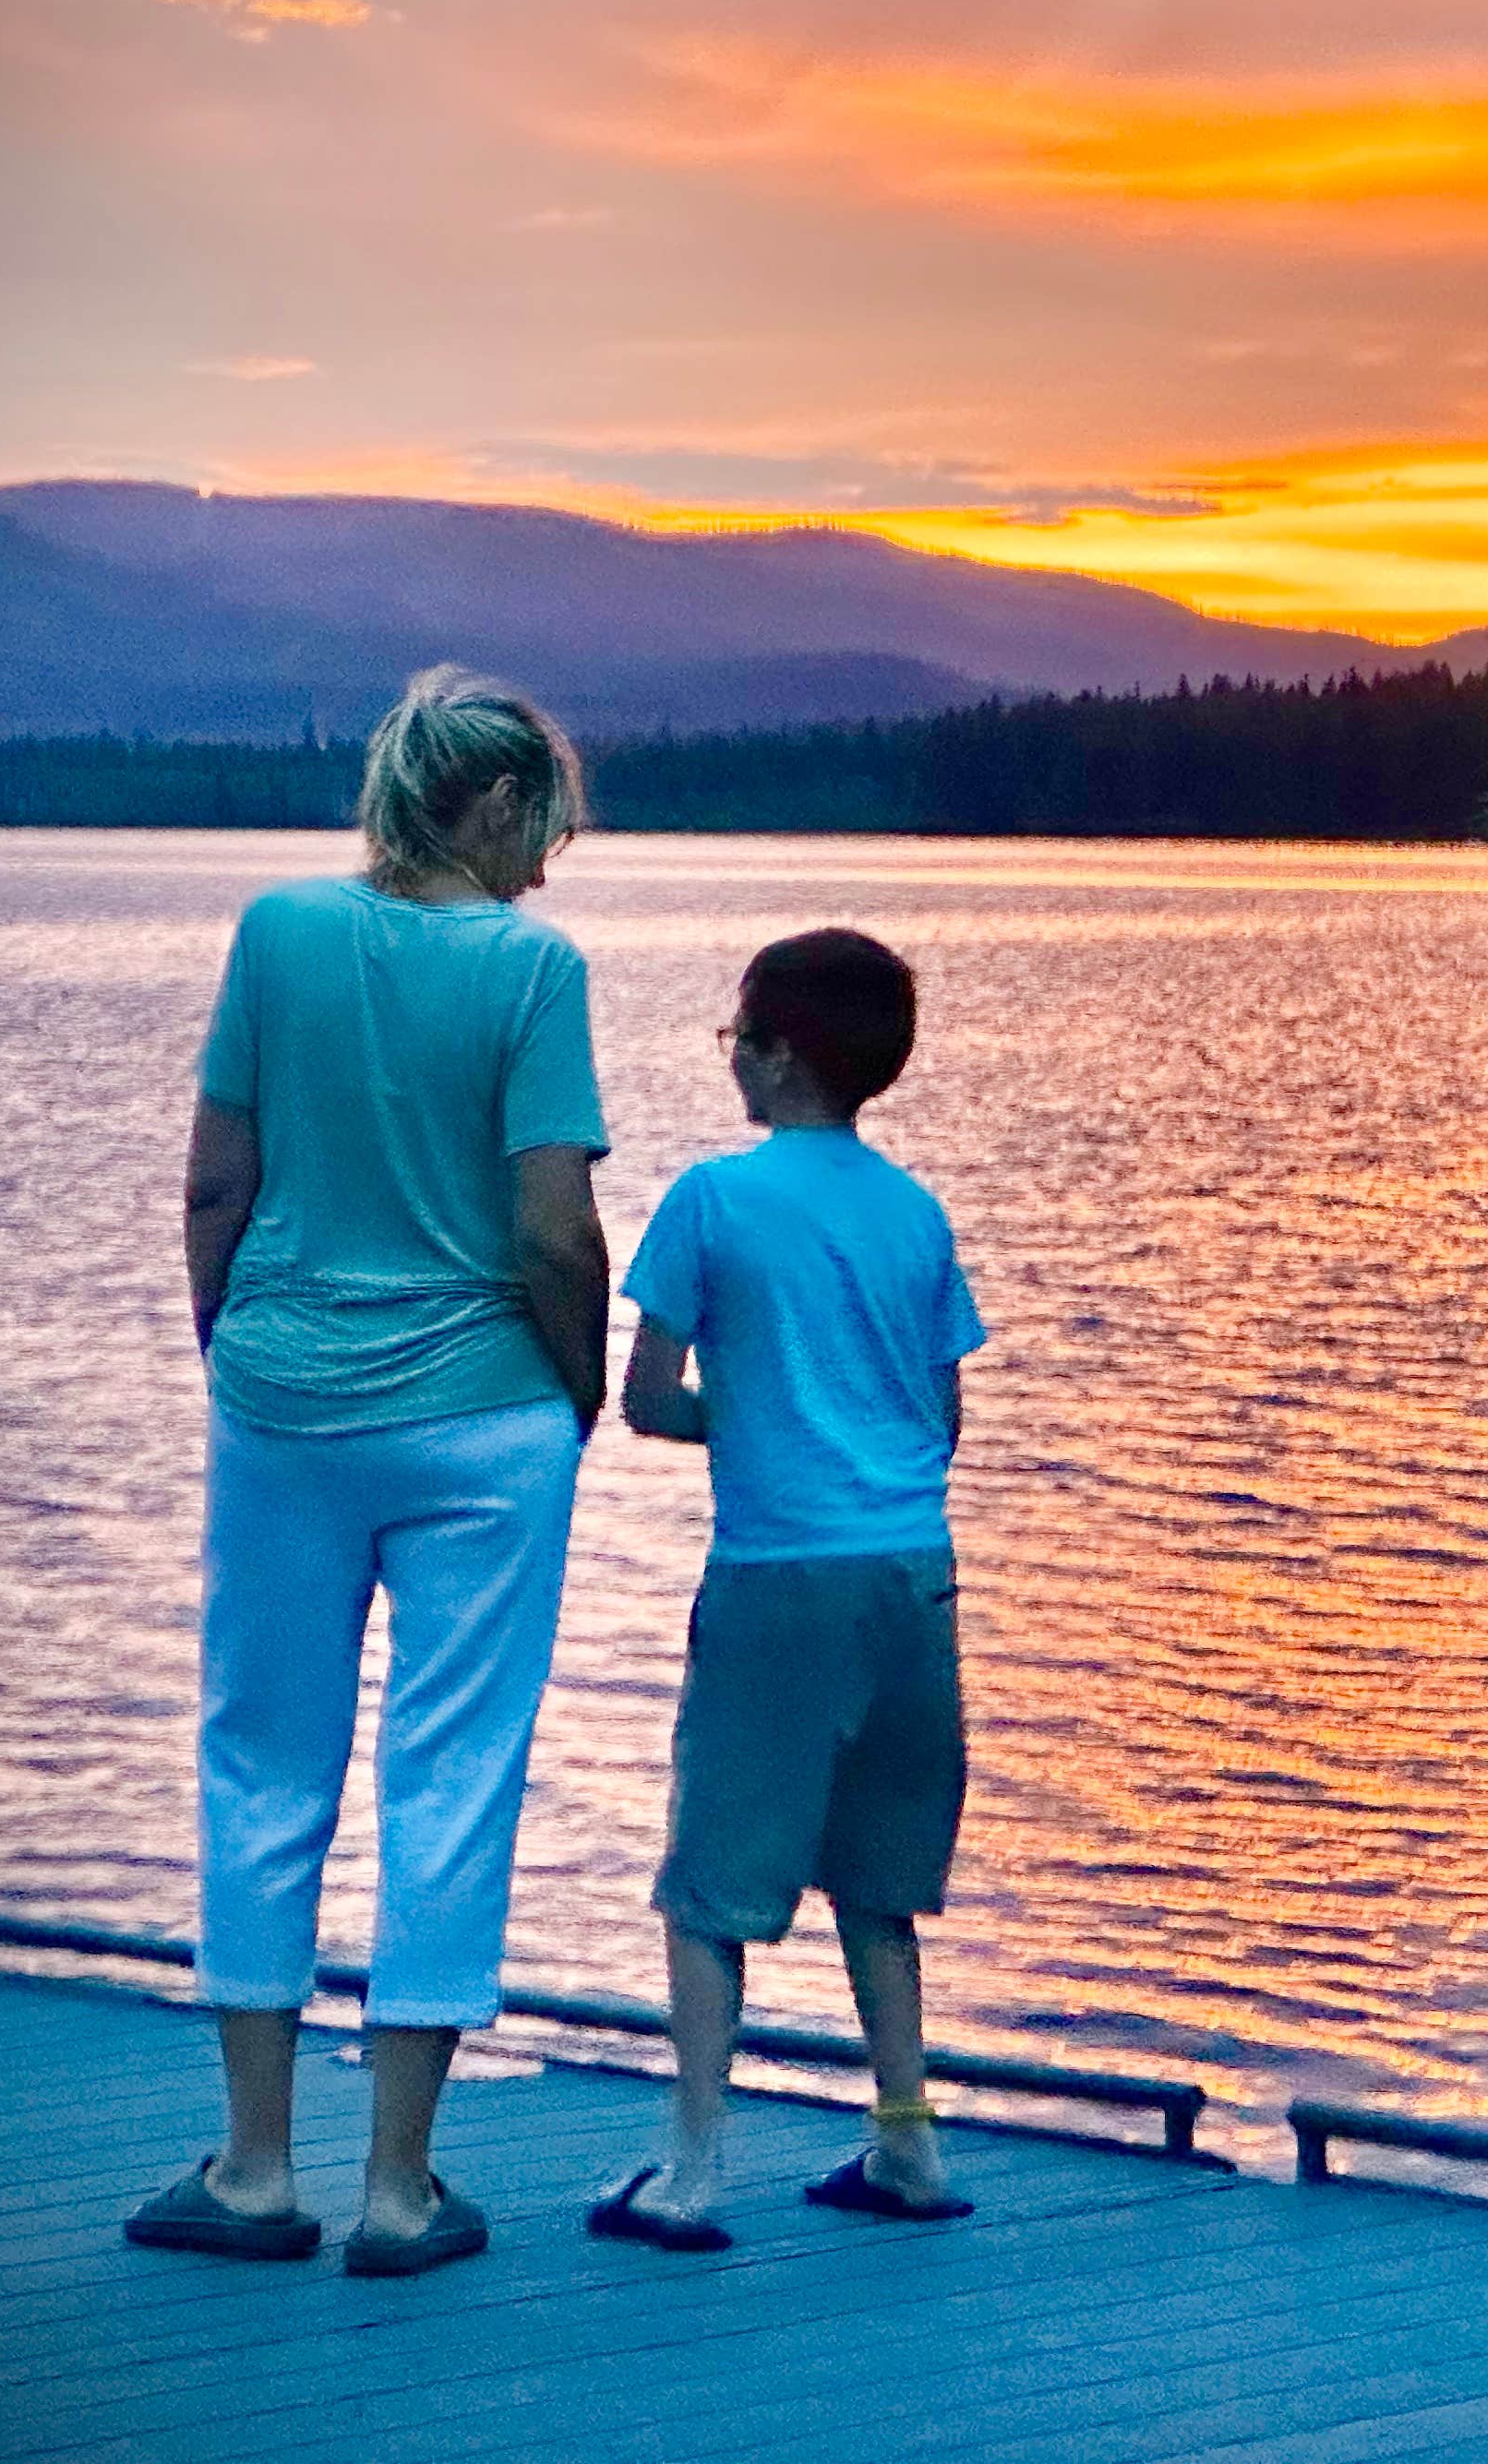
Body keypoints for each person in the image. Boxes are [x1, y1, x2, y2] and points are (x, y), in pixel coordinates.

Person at [126, 665, 608, 2280]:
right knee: (451, 1771)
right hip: (484, 1420)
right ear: (484, 807)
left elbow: (215, 1185)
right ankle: (403, 2190)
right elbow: (551, 1225)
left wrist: (238, 1352)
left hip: (284, 1401)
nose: (550, 859)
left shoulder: (277, 933)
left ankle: (257, 2169)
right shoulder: (534, 968)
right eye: (541, 820)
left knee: (261, 1755)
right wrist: (582, 1387)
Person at [588, 927, 987, 2250]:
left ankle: (694, 2165)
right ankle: (907, 2142)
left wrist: (745, 1422)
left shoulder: (712, 1200)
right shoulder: (915, 1213)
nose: (733, 1064)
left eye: (739, 1041)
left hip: (776, 1576)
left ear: (781, 1054)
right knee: (878, 1879)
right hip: (912, 1576)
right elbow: (940, 1415)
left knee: (711, 1883)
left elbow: (641, 1399)